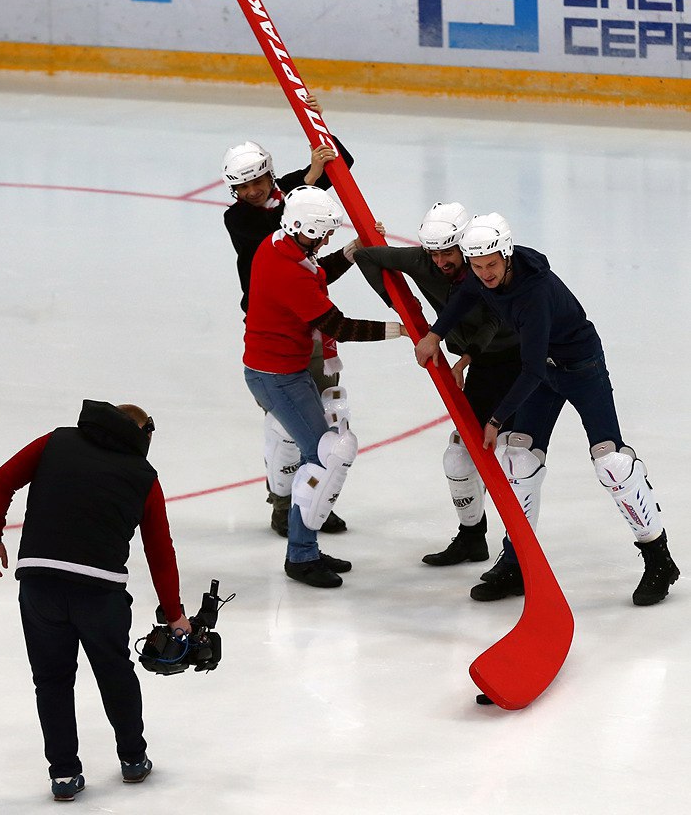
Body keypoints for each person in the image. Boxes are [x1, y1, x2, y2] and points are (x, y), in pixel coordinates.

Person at [415, 214, 680, 606]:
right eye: (477, 265)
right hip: (545, 371)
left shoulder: (533, 292)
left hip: (580, 368)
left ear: (506, 255)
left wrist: (495, 418)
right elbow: (467, 295)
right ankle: (518, 560)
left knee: (612, 463)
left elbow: (531, 368)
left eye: (491, 265)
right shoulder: (481, 268)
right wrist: (435, 334)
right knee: (519, 460)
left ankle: (659, 559)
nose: (484, 273)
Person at [0, 400, 190, 802]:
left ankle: (63, 775)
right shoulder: (143, 476)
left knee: (52, 680)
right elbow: (159, 550)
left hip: (40, 584)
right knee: (115, 673)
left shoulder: (55, 442)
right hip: (99, 592)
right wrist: (175, 614)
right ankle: (132, 758)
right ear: (143, 435)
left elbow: (1, 479)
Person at [244, 185, 408, 588]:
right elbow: (339, 326)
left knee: (318, 454)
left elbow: (318, 271)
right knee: (325, 455)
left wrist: (354, 250)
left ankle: (306, 547)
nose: (327, 238)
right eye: (323, 232)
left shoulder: (280, 245)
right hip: (279, 377)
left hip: (280, 370)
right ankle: (301, 555)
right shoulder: (287, 270)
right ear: (302, 227)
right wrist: (404, 329)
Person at [354, 202, 522, 566]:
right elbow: (368, 258)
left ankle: (518, 555)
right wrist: (406, 309)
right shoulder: (423, 261)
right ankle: (472, 538)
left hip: (516, 362)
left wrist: (466, 356)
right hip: (479, 365)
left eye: (449, 251)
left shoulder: (485, 266)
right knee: (459, 457)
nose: (442, 260)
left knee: (519, 461)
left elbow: (494, 318)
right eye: (435, 252)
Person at [222, 95, 355, 538]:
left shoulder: (295, 191)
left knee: (328, 414)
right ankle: (284, 505)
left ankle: (313, 501)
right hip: (273, 330)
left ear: (268, 173)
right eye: (243, 187)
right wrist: (311, 179)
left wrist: (316, 118)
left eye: (257, 180)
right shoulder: (240, 220)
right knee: (286, 426)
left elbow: (342, 163)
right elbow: (278, 235)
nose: (253, 191)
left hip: (309, 317)